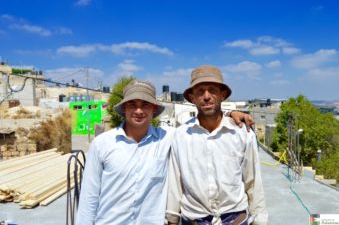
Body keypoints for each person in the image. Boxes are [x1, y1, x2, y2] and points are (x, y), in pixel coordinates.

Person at [76, 79, 254, 225]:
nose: (139, 110)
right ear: (124, 109)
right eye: (132, 104)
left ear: (154, 109)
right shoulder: (102, 144)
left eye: (145, 104)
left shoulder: (169, 137)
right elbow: (89, 199)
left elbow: (204, 124)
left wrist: (231, 115)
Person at [166, 65, 268, 225]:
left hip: (235, 219)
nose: (206, 96)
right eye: (200, 91)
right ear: (192, 98)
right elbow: (174, 184)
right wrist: (171, 220)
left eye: (212, 90)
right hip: (193, 220)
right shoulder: (180, 135)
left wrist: (259, 220)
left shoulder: (242, 132)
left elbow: (253, 181)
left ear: (223, 95)